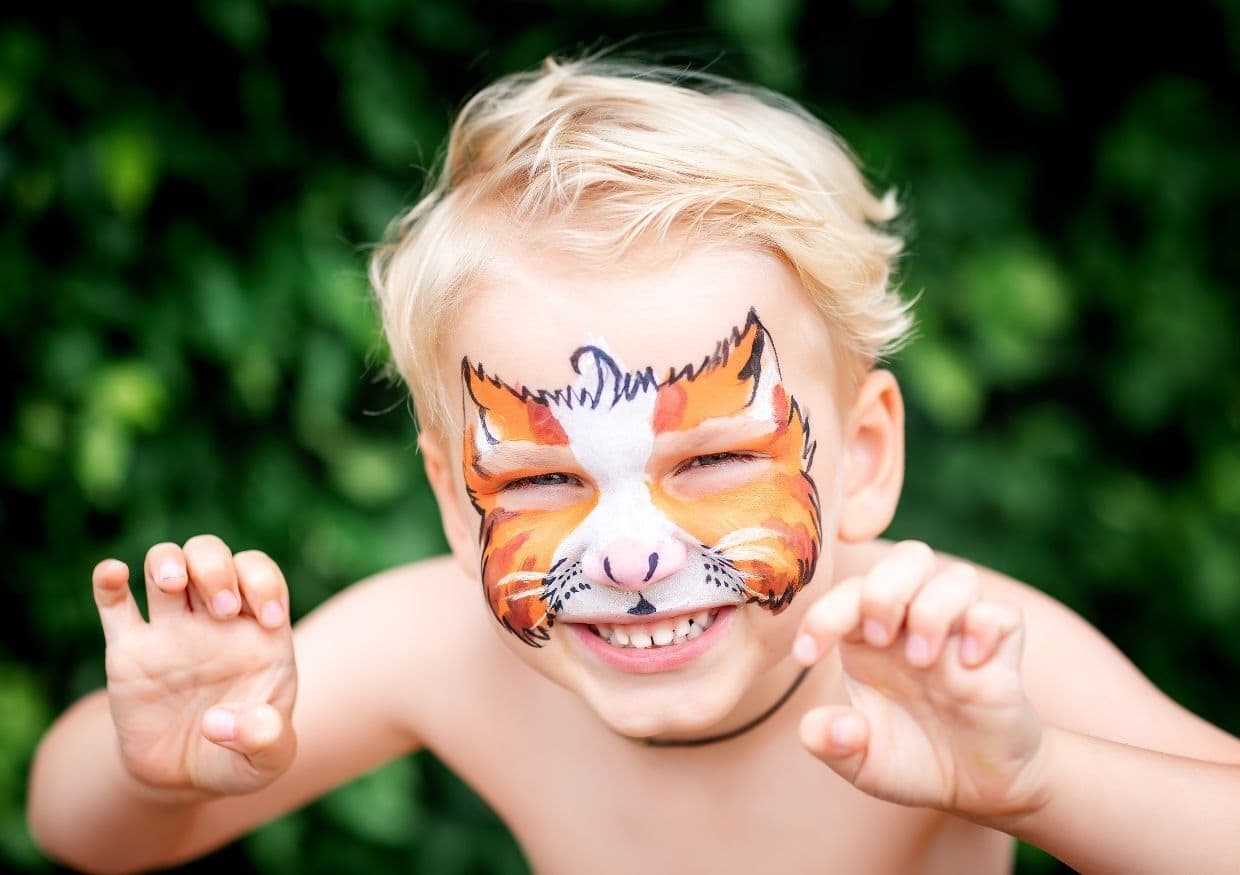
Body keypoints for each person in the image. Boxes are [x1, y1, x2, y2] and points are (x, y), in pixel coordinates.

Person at [26, 56, 1240, 875]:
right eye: (544, 480)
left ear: (862, 456)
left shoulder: (944, 655)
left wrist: (1033, 776)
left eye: (713, 458)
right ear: (457, 498)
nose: (628, 552)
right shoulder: (439, 646)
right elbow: (79, 829)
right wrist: (163, 763)